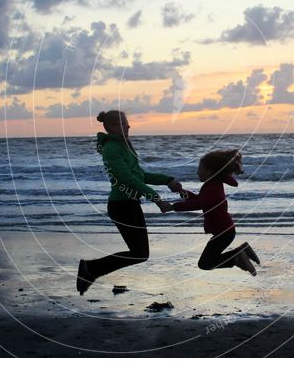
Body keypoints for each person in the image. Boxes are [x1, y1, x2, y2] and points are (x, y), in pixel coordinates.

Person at [76, 110, 181, 295]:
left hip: (130, 205)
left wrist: (168, 180)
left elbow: (140, 175)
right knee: (139, 253)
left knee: (140, 254)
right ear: (111, 127)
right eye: (123, 124)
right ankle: (90, 269)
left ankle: (91, 269)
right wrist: (157, 199)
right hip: (122, 206)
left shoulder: (124, 147)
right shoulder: (111, 150)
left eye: (127, 123)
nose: (128, 126)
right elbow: (127, 180)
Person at [164, 149, 260, 275]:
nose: (197, 172)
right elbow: (200, 200)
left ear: (210, 171)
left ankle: (237, 257)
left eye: (200, 169)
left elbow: (200, 203)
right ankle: (241, 252)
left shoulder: (212, 186)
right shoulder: (212, 184)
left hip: (223, 231)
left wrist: (174, 207)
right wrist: (181, 191)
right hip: (225, 230)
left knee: (205, 263)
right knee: (207, 261)